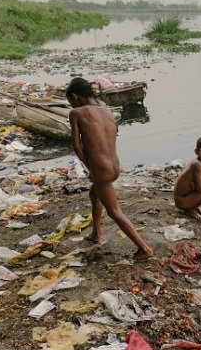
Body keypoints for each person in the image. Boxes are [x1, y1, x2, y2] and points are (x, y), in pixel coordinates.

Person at [66, 77, 154, 260]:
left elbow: (77, 146)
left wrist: (90, 168)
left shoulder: (77, 113)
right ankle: (96, 233)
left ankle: (144, 248)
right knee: (94, 194)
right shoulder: (107, 111)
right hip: (115, 165)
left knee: (114, 211)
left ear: (75, 97)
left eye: (70, 100)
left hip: (100, 168)